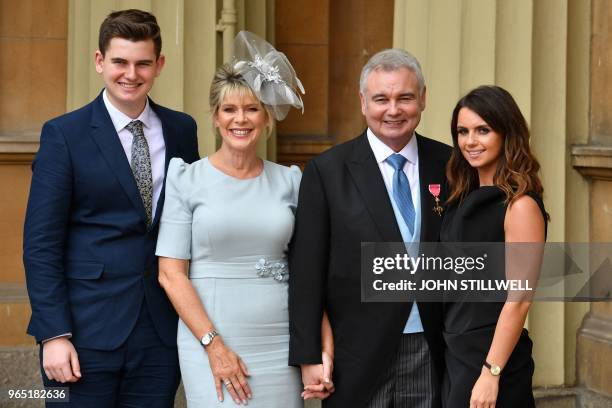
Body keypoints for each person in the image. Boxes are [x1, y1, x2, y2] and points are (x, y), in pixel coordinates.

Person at [22, 9, 200, 407]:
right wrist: (54, 334)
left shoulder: (182, 130)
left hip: (159, 332)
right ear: (100, 61)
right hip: (84, 333)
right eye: (119, 61)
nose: (130, 74)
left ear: (159, 66)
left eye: (143, 63)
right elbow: (41, 244)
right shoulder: (63, 134)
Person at [155, 31, 330, 407]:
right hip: (211, 340)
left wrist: (320, 349)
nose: (241, 119)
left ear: (266, 117)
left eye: (251, 108)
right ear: (216, 117)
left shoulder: (292, 180)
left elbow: (312, 273)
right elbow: (170, 274)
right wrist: (213, 346)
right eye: (230, 110)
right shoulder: (186, 179)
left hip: (281, 342)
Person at [289, 48, 451, 407]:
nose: (393, 110)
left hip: (430, 347)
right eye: (381, 99)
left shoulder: (450, 164)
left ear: (422, 99)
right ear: (363, 102)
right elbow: (306, 270)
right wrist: (309, 354)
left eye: (405, 97)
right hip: (356, 355)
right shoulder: (327, 171)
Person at [440, 85, 547, 408]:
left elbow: (520, 299)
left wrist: (491, 372)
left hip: (492, 359)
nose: (470, 142)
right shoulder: (460, 198)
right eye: (462, 132)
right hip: (456, 352)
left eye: (482, 130)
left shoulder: (520, 206)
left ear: (506, 133)